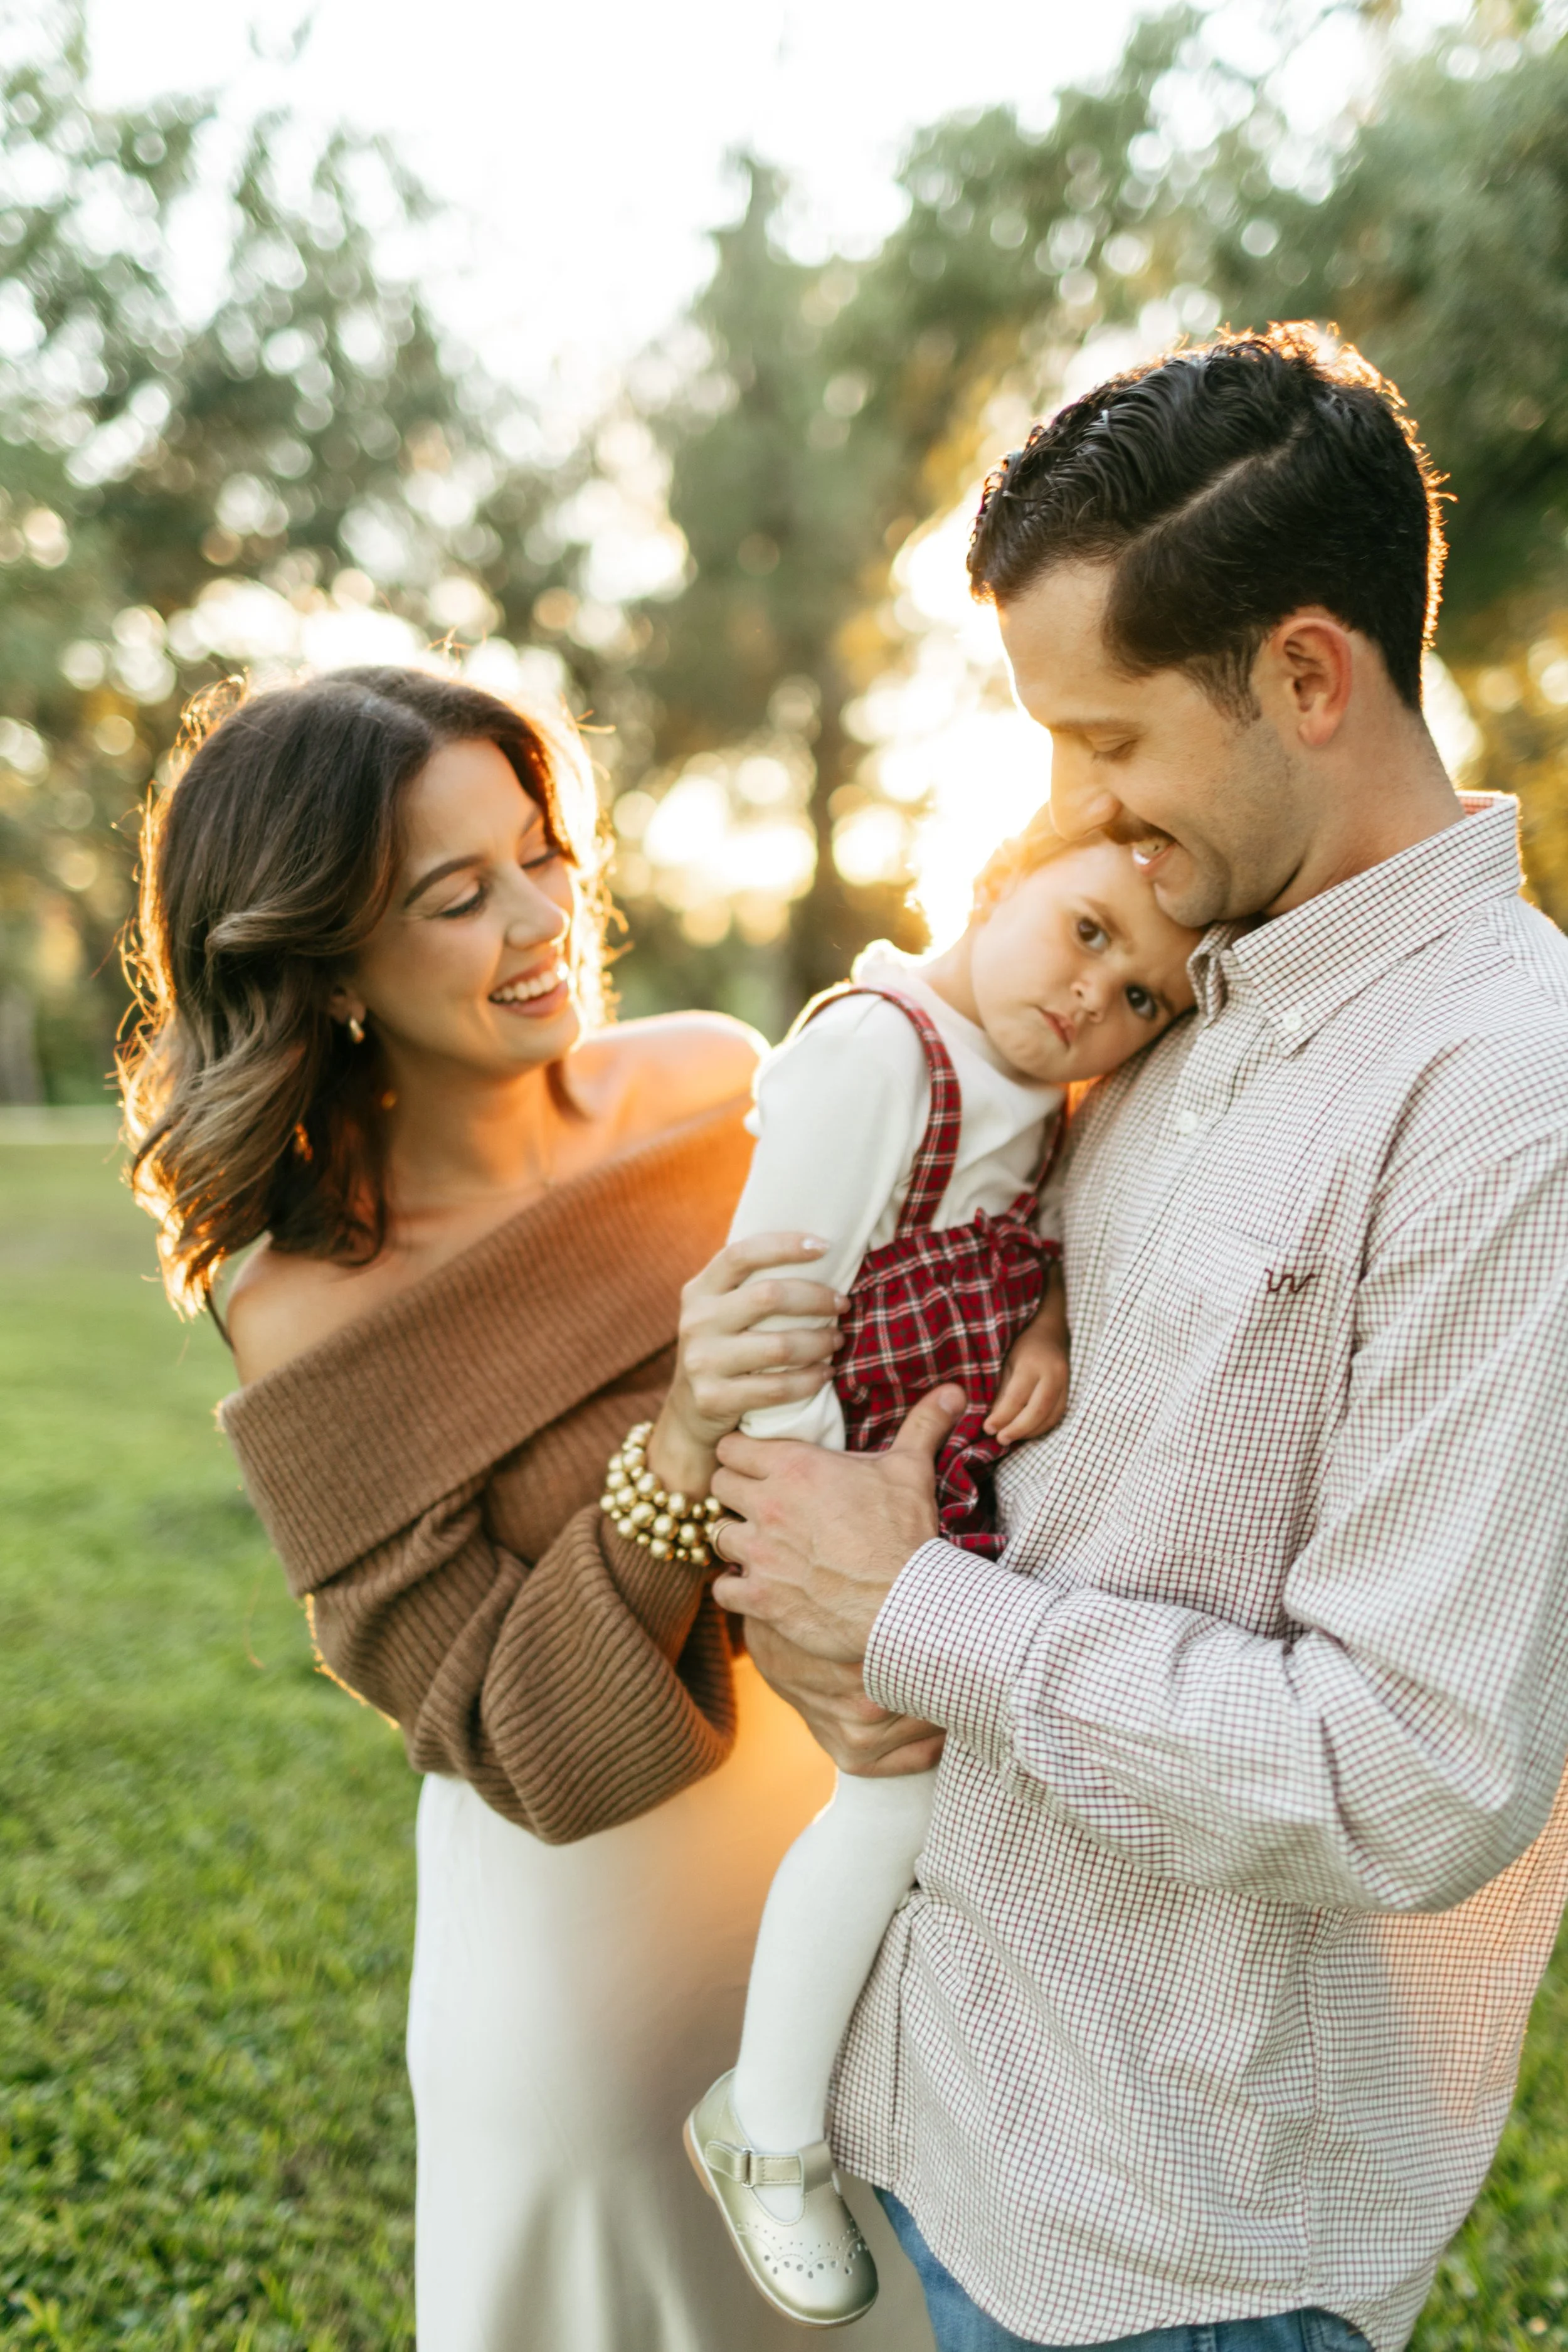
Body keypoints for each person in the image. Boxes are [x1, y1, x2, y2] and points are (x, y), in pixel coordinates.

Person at [706, 324, 1568, 2352]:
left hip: (1184, 2253)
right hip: (976, 2100)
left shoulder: (1508, 1098)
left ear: (1304, 675)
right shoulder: (1181, 986)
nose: (1076, 808)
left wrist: (911, 1610)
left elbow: (1412, 1773)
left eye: (1106, 742)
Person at [119, 666, 935, 2352]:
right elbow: (504, 1720)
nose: (540, 915)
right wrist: (687, 1430)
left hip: (863, 1876)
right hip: (589, 1970)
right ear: (325, 956)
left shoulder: (719, 1082)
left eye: (543, 849)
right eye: (455, 892)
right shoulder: (302, 1300)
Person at [681, 819, 1199, 2325]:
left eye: (1144, 997)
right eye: (1087, 929)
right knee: (891, 1794)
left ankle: (924, 2100)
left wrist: (1039, 1336)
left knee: (960, 1809)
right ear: (996, 879)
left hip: (937, 1511)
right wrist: (812, 1545)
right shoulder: (877, 1055)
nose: (1093, 997)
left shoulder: (1030, 1097)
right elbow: (775, 1316)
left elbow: (1025, 1257)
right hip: (828, 1509)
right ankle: (768, 2131)